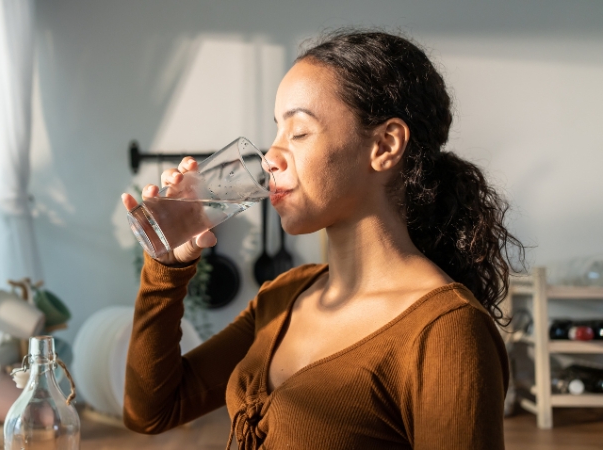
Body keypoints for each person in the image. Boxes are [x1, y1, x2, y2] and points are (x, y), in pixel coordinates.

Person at [119, 29, 524, 450]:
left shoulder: (445, 331)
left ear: (384, 145)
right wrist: (167, 267)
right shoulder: (284, 296)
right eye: (276, 130)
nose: (270, 157)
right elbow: (150, 410)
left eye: (298, 132)